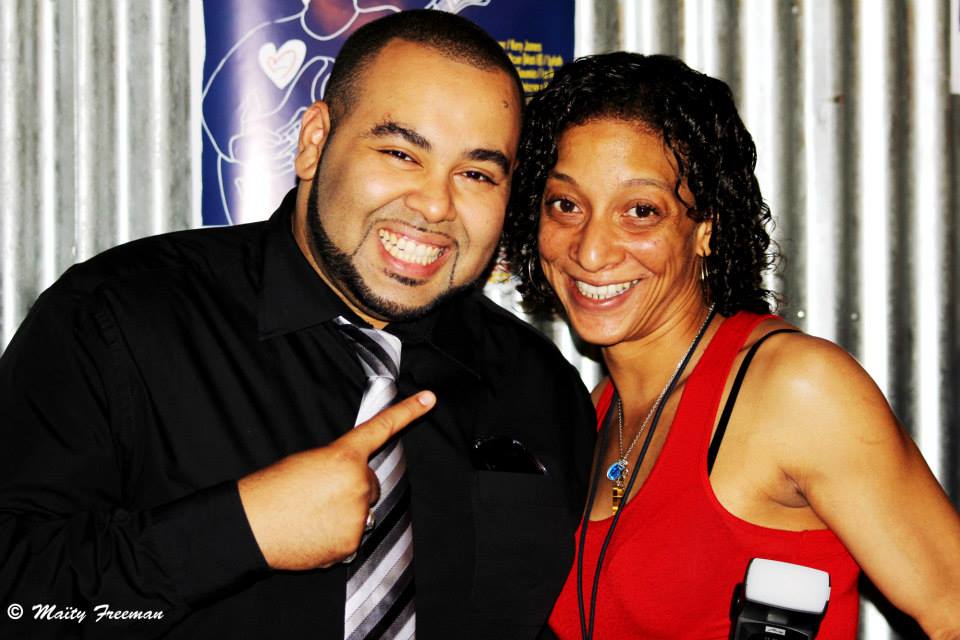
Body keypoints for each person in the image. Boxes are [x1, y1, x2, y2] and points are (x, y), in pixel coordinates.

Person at [0, 11, 595, 639]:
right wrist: (240, 530)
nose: (435, 204)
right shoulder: (119, 318)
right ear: (314, 140)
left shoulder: (537, 385)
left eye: (476, 174)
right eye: (400, 153)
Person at [503, 52, 960, 639]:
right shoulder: (596, 413)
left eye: (640, 212)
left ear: (705, 229)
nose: (591, 250)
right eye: (566, 205)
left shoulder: (795, 389)